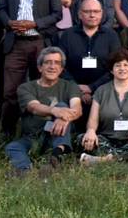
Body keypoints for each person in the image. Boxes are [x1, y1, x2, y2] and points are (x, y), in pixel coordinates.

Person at [0, 0, 62, 137]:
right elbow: (1, 9)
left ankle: (34, 130)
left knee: (39, 89)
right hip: (15, 43)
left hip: (39, 43)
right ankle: (7, 131)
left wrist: (34, 23)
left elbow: (57, 14)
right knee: (10, 90)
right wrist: (9, 23)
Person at [5, 47, 82, 176]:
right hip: (32, 138)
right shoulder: (26, 87)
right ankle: (25, 172)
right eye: (48, 62)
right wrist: (55, 111)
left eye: (57, 63)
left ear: (62, 69)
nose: (52, 66)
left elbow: (77, 109)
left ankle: (56, 156)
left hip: (55, 137)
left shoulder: (70, 86)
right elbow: (34, 107)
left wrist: (64, 117)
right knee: (12, 147)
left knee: (63, 105)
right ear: (40, 67)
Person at [79, 50, 128, 164]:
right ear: (111, 70)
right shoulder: (101, 90)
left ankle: (105, 159)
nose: (122, 68)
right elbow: (93, 119)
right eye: (118, 65)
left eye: (126, 65)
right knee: (82, 138)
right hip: (107, 139)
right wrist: (90, 131)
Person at [58, 0, 122, 126]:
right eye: (87, 11)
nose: (92, 15)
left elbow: (116, 67)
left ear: (102, 14)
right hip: (71, 90)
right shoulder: (68, 35)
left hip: (104, 90)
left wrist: (91, 88)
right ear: (79, 14)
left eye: (96, 11)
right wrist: (76, 88)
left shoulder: (111, 36)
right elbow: (60, 66)